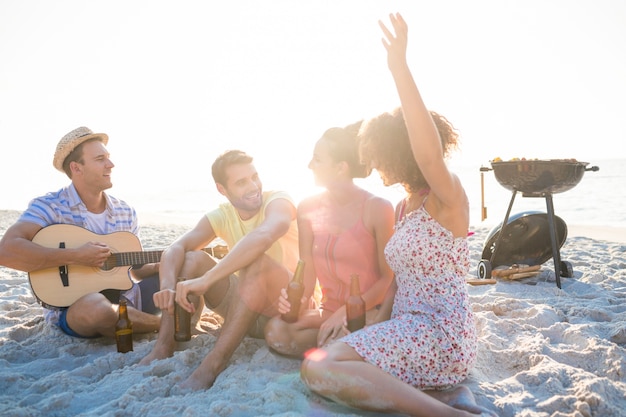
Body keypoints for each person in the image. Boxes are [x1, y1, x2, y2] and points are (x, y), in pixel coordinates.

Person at [300, 14, 496, 417]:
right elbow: (397, 284)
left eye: (379, 155)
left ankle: (448, 414)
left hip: (441, 336)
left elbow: (428, 153)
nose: (372, 165)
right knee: (322, 361)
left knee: (317, 368)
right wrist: (375, 328)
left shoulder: (447, 199)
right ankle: (442, 399)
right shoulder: (405, 206)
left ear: (399, 151)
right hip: (407, 332)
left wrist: (399, 68)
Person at [139, 149, 299, 391]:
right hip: (242, 309)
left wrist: (208, 279)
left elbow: (265, 235)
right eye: (242, 182)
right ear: (222, 189)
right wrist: (167, 286)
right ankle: (163, 345)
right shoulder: (223, 215)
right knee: (192, 258)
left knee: (257, 262)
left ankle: (213, 363)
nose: (254, 186)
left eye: (254, 176)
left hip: (284, 308)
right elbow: (176, 247)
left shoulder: (278, 200)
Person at [0, 127, 161, 339]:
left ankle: (144, 321)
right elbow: (7, 250)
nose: (111, 165)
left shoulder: (125, 211)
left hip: (129, 298)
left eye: (109, 158)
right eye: (100, 159)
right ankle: (162, 323)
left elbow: (135, 271)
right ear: (77, 168)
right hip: (75, 307)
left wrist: (161, 262)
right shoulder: (50, 206)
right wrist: (77, 256)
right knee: (97, 309)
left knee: (190, 264)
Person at [264, 121, 395, 357]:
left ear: (340, 167)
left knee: (342, 341)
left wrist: (348, 311)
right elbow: (307, 268)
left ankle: (344, 343)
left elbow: (388, 278)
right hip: (329, 311)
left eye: (317, 159)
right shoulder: (307, 207)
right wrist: (297, 299)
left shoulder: (378, 208)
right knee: (276, 331)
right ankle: (337, 342)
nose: (309, 165)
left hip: (372, 312)